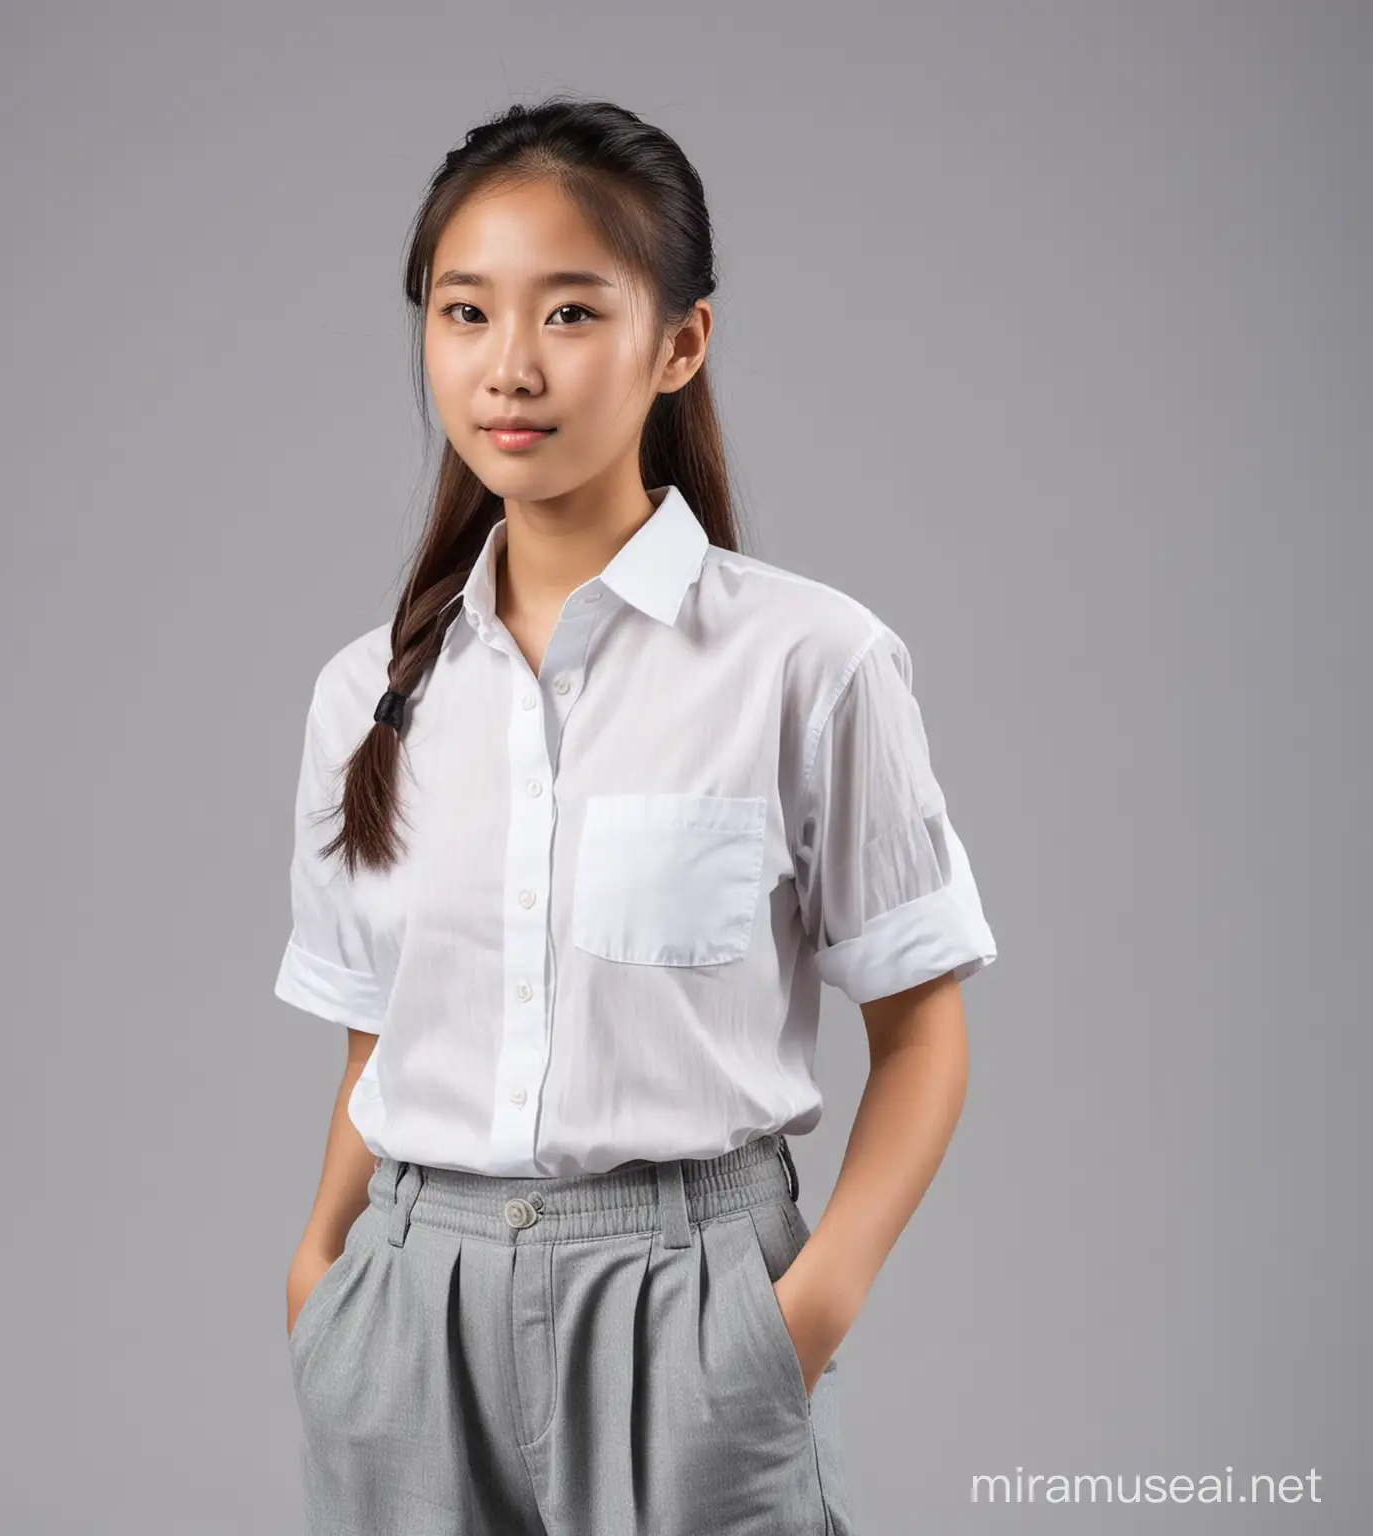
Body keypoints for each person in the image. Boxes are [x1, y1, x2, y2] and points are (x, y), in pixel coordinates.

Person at [273, 95, 998, 1536]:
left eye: (572, 312)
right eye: (466, 313)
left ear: (679, 344)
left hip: (695, 1304)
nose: (511, 367)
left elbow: (921, 1031)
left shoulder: (810, 662)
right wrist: (320, 1275)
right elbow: (381, 1029)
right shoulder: (368, 691)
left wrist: (802, 1313)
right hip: (409, 1310)